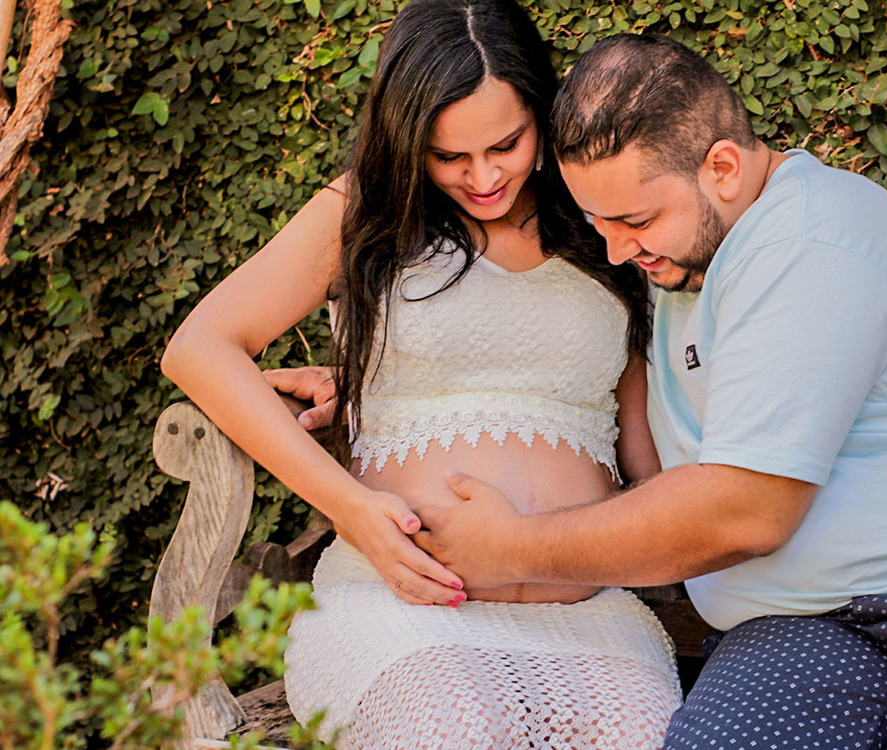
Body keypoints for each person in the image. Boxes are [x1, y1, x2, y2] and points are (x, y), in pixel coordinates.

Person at [407, 34, 887, 749]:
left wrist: (513, 548)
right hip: (806, 624)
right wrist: (369, 382)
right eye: (597, 221)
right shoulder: (679, 261)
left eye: (634, 219)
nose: (616, 249)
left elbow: (746, 510)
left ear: (724, 168)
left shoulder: (810, 238)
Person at [160, 3, 682, 746]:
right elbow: (201, 347)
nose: (483, 176)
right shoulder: (365, 213)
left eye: (506, 144)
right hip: (404, 609)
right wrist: (352, 510)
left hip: (589, 617)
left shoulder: (600, 221)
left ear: (541, 108)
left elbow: (645, 452)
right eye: (449, 157)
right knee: (453, 727)